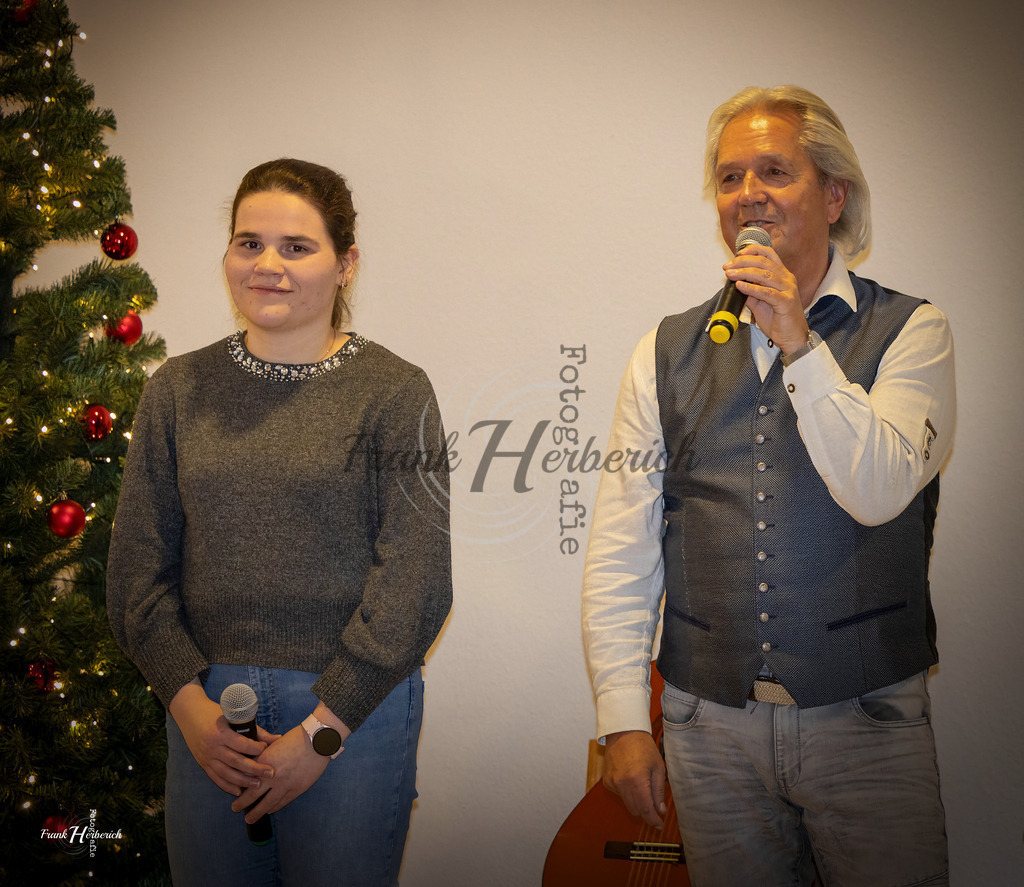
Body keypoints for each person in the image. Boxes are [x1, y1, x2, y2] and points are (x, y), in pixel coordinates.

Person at [582, 86, 955, 886]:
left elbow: (880, 488)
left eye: (774, 170)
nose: (747, 193)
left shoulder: (913, 332)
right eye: (729, 177)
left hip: (867, 723)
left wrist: (799, 340)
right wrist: (621, 721)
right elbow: (622, 544)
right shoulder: (663, 349)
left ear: (833, 194)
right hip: (706, 726)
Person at [106, 158, 452, 886]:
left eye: (297, 246)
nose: (268, 265)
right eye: (248, 243)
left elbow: (415, 581)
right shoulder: (176, 390)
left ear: (345, 263)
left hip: (354, 712)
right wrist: (192, 711)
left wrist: (320, 733)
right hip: (204, 709)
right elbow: (137, 574)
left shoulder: (394, 391)